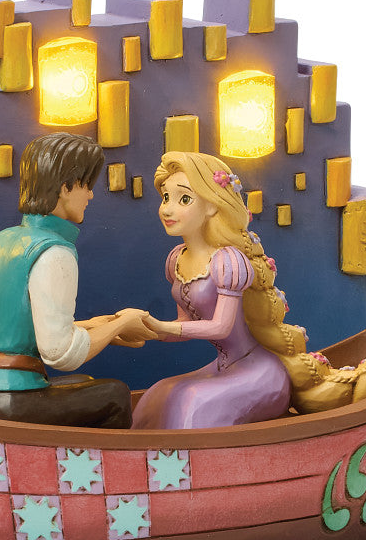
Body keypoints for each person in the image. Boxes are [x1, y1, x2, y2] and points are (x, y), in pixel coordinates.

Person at [132, 151, 346, 430]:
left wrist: (162, 327)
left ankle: (194, 460)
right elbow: (184, 325)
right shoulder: (177, 259)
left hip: (260, 372)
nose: (167, 209)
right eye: (165, 198)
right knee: (156, 397)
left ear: (212, 205)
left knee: (192, 402)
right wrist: (147, 329)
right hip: (225, 367)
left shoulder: (228, 261)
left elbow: (220, 327)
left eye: (184, 199)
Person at [0, 133, 151, 428]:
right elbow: (60, 353)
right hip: (13, 403)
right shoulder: (54, 251)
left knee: (83, 382)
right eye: (86, 185)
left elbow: (15, 331)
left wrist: (94, 326)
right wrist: (123, 322)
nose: (90, 195)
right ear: (66, 187)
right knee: (115, 394)